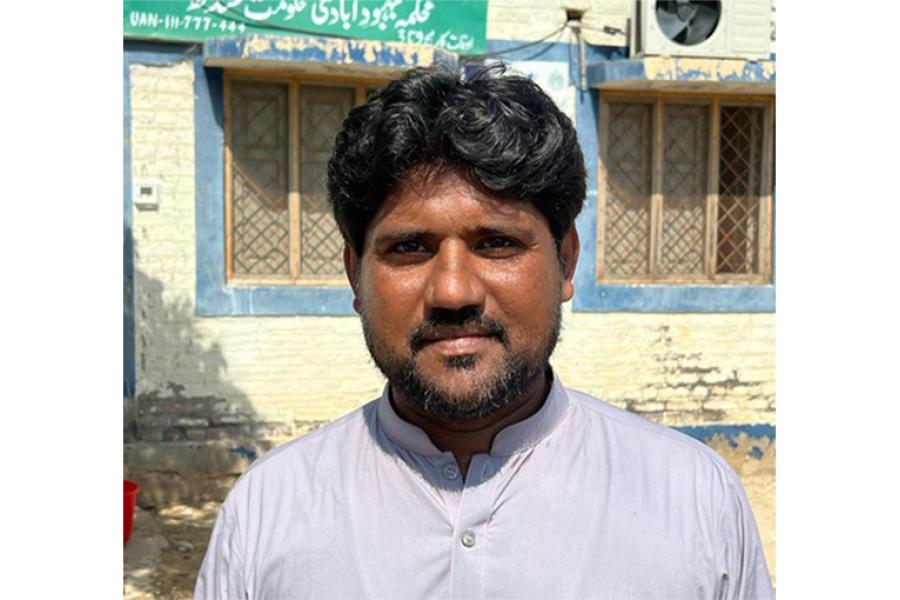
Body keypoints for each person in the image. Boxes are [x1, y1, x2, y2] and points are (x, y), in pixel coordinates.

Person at [195, 65, 773, 599]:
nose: (453, 292)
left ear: (566, 261)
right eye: (410, 247)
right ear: (355, 273)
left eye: (496, 243)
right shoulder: (267, 512)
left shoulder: (695, 500)